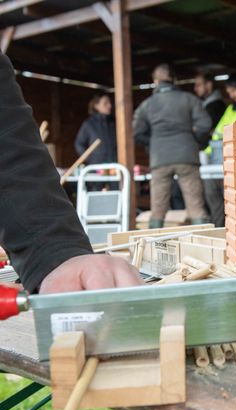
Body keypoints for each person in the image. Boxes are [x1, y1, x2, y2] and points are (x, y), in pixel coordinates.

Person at [0, 53, 141, 294]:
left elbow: (8, 144)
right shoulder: (90, 125)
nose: (109, 107)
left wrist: (55, 252)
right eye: (105, 103)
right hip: (95, 168)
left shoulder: (109, 124)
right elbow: (80, 144)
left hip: (107, 169)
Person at [133, 64, 212, 228]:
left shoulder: (147, 105)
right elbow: (205, 124)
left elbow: (136, 132)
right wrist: (193, 141)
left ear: (156, 81)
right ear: (174, 80)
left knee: (158, 208)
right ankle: (204, 243)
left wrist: (153, 143)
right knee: (196, 206)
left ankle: (153, 245)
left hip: (160, 159)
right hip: (187, 157)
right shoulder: (189, 99)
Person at [194, 71, 227, 227]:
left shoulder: (216, 106)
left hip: (215, 161)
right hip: (210, 161)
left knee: (216, 202)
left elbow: (205, 133)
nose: (195, 88)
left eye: (199, 84)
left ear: (209, 85)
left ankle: (217, 231)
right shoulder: (207, 105)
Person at [75, 94, 117, 164]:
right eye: (105, 103)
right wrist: (90, 159)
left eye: (109, 103)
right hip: (96, 168)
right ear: (96, 106)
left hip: (114, 165)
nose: (109, 105)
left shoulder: (113, 123)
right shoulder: (89, 124)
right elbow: (79, 143)